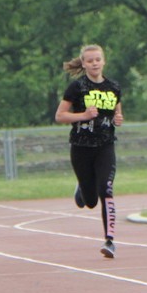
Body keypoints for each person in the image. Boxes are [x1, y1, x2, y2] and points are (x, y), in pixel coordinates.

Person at [55, 44, 124, 258]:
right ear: (84, 64)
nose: (95, 63)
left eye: (98, 59)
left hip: (105, 145)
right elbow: (60, 116)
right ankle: (82, 189)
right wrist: (83, 116)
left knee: (107, 190)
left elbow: (117, 113)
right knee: (91, 200)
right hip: (81, 147)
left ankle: (110, 241)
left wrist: (118, 119)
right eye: (90, 60)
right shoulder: (77, 88)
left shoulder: (113, 87)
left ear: (103, 61)